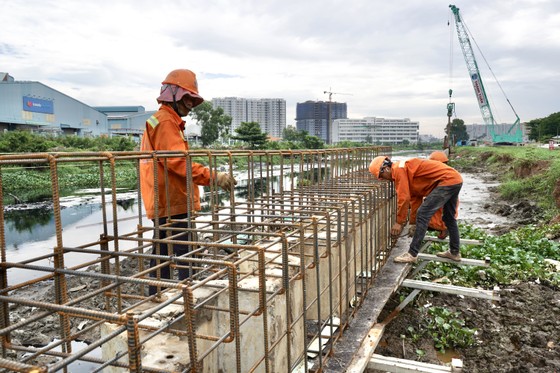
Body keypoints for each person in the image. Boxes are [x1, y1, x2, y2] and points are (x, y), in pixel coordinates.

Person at [140, 69, 236, 295]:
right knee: (185, 251)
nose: (190, 105)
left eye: (192, 99)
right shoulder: (165, 122)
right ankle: (187, 297)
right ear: (172, 95)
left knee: (163, 250)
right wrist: (213, 176)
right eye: (187, 98)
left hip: (165, 197)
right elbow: (178, 162)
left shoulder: (166, 121)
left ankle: (158, 296)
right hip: (171, 199)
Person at [369, 155, 463, 263]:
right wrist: (413, 223)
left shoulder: (398, 170)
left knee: (423, 214)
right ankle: (454, 252)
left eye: (382, 176)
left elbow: (404, 198)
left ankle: (412, 254)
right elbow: (415, 198)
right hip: (455, 179)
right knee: (449, 217)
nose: (384, 179)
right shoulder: (405, 170)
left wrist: (399, 222)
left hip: (447, 181)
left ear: (385, 168)